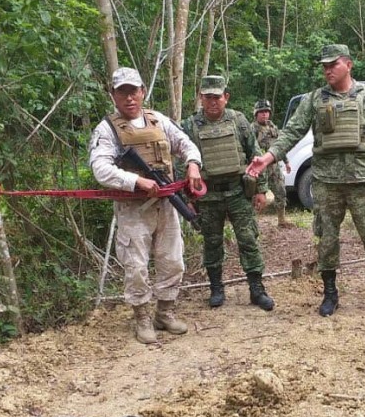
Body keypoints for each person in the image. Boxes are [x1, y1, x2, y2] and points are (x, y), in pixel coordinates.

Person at [246, 44, 365, 317]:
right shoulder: (315, 99)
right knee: (327, 239)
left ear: (349, 64)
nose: (328, 70)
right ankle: (330, 293)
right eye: (324, 66)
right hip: (326, 183)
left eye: (334, 64)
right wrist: (267, 158)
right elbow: (292, 132)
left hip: (362, 180)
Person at [89, 66, 203, 344]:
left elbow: (186, 144)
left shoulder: (158, 120)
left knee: (172, 260)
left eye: (134, 91)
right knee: (136, 266)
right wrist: (135, 182)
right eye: (122, 92)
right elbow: (100, 168)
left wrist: (193, 165)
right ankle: (141, 316)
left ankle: (164, 312)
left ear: (142, 92)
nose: (129, 98)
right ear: (113, 95)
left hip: (166, 205)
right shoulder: (107, 129)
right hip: (133, 210)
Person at [181, 75, 275, 311]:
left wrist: (261, 189)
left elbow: (255, 154)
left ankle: (257, 289)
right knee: (212, 243)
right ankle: (216, 288)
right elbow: (180, 165)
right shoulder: (189, 126)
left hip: (237, 192)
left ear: (226, 97)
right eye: (208, 97)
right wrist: (188, 199)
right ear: (201, 98)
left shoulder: (239, 120)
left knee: (248, 240)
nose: (213, 102)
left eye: (218, 97)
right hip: (208, 197)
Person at [252, 100, 293, 228]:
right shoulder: (251, 129)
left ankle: (281, 220)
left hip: (274, 167)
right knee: (256, 197)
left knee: (281, 192)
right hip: (259, 169)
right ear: (256, 114)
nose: (264, 115)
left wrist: (286, 162)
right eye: (261, 112)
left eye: (266, 112)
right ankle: (253, 223)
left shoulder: (273, 127)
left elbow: (279, 146)